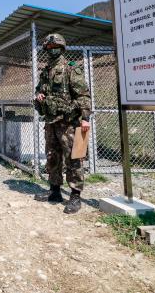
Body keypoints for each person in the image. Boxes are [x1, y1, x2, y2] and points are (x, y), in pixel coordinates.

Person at [34, 33, 91, 214]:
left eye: (56, 48)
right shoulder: (45, 71)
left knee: (73, 159)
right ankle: (55, 191)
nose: (53, 51)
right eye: (50, 48)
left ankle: (75, 196)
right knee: (52, 156)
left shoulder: (71, 69)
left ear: (62, 48)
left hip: (68, 122)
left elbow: (83, 96)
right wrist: (39, 97)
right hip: (51, 121)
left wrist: (85, 118)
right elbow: (38, 92)